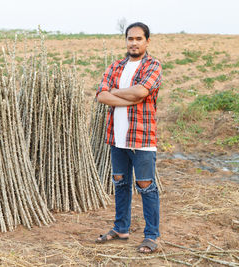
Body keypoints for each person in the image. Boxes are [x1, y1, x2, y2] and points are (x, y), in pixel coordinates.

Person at [95, 22, 162, 253]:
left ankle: (151, 236)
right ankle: (121, 228)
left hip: (142, 138)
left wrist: (117, 93)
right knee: (120, 183)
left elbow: (143, 91)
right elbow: (102, 96)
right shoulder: (116, 66)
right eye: (130, 38)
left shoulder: (152, 65)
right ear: (126, 40)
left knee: (146, 186)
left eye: (138, 39)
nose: (133, 43)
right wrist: (129, 97)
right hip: (117, 137)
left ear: (147, 41)